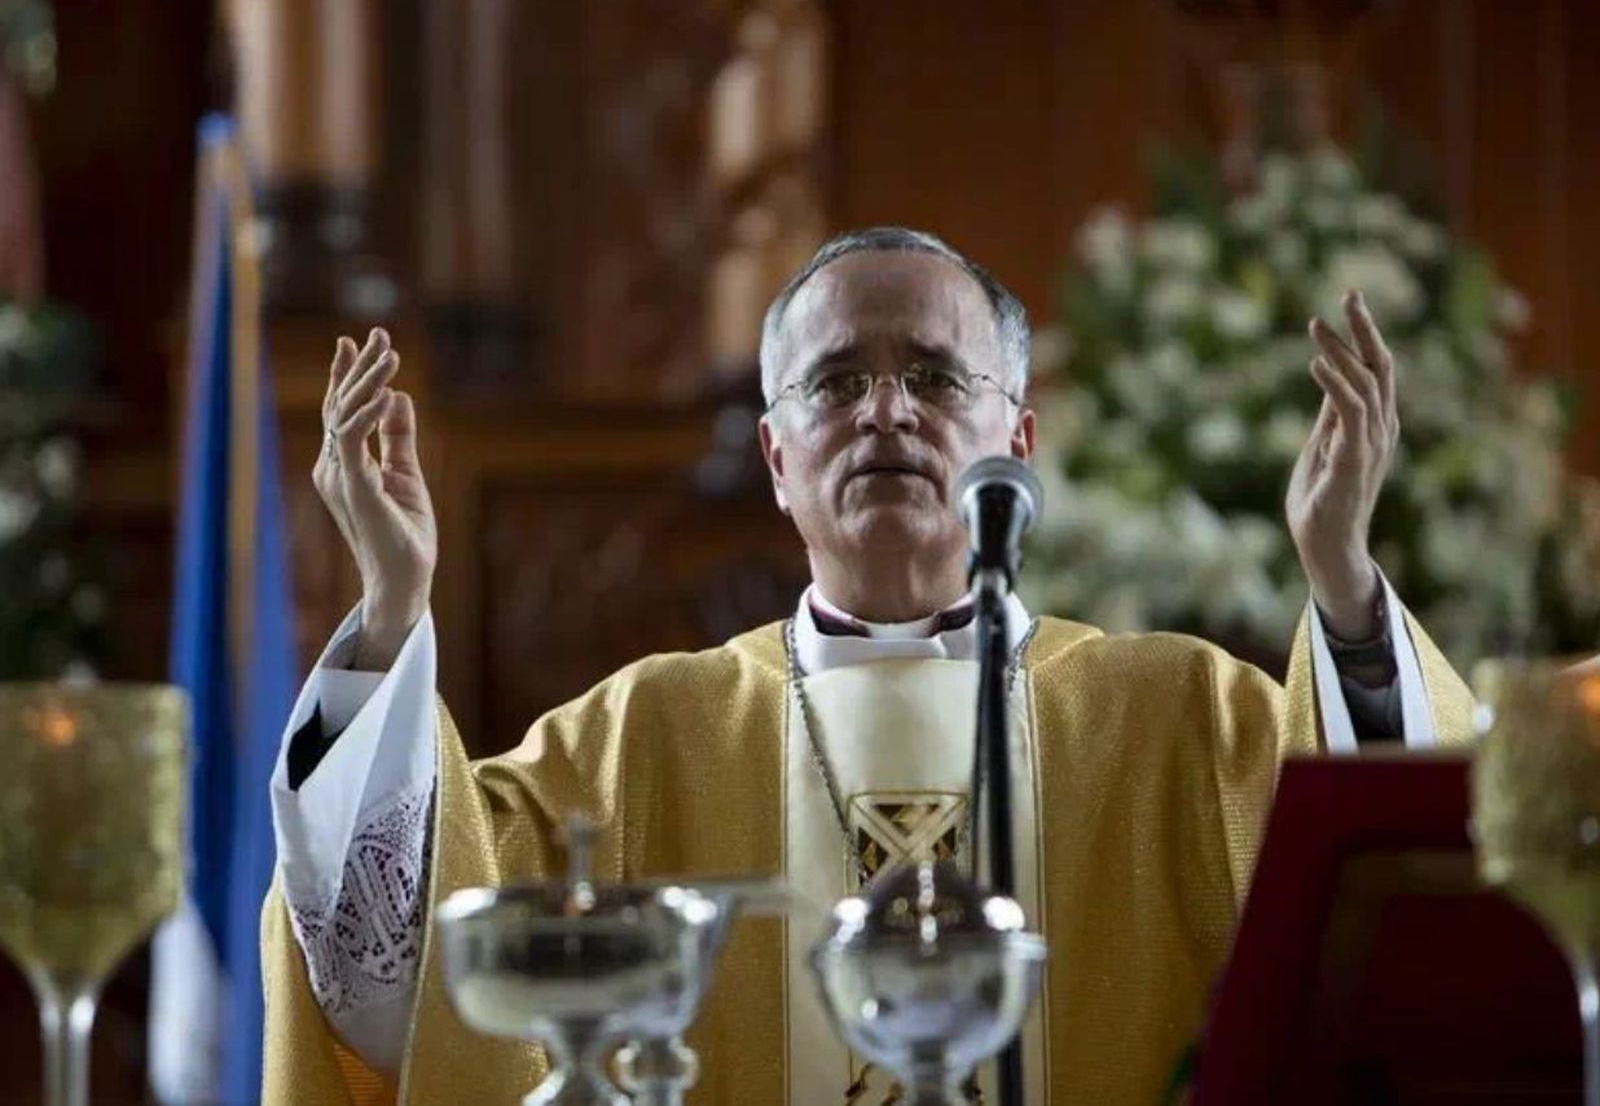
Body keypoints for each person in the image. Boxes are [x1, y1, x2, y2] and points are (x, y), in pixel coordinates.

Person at [261, 228, 1473, 1105]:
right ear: (780, 460)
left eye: (935, 376)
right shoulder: (640, 740)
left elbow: (1397, 917)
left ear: (1020, 439)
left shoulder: (1179, 718)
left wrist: (1346, 595)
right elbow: (394, 974)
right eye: (838, 381)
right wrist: (389, 604)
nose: (886, 411)